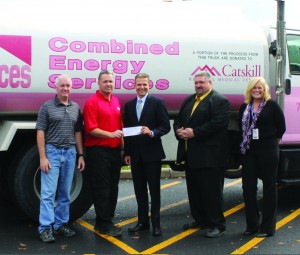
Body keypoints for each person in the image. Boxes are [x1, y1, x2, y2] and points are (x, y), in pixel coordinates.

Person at [173, 71, 230, 238]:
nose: (198, 85)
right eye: (196, 82)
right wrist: (179, 131)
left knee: (212, 193)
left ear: (210, 83)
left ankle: (217, 224)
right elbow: (179, 119)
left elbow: (218, 124)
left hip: (210, 157)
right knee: (195, 191)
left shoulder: (220, 100)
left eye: (201, 82)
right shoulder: (189, 100)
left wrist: (194, 133)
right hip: (191, 156)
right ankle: (200, 220)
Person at [36, 74, 85, 243]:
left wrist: (80, 154)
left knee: (65, 192)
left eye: (68, 86)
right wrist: (43, 157)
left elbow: (78, 132)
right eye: (62, 85)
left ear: (71, 88)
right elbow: (40, 131)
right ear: (56, 87)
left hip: (70, 152)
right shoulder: (47, 107)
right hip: (53, 152)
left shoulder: (75, 107)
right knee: (48, 193)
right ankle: (45, 228)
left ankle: (60, 224)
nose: (65, 88)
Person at [123, 73, 170, 237]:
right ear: (134, 85)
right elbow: (127, 131)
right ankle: (142, 222)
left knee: (154, 190)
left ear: (149, 85)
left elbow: (165, 126)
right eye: (139, 85)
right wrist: (127, 152)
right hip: (135, 156)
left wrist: (152, 132)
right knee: (139, 190)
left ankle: (156, 225)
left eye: (144, 85)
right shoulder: (129, 105)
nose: (141, 87)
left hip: (152, 154)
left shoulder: (157, 102)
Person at [239, 77, 286, 237]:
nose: (257, 90)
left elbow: (282, 127)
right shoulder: (245, 107)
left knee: (269, 188)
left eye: (259, 88)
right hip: (250, 151)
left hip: (268, 151)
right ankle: (252, 225)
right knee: (248, 188)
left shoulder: (272, 105)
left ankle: (267, 227)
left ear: (264, 89)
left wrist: (272, 140)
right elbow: (241, 128)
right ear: (250, 90)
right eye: (254, 88)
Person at [83, 70, 123, 237]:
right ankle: (102, 224)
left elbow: (120, 128)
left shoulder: (115, 100)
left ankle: (108, 220)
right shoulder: (92, 102)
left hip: (114, 151)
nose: (109, 84)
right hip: (98, 151)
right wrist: (110, 134)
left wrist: (123, 148)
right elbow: (91, 129)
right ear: (98, 83)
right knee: (102, 189)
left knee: (113, 188)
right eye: (105, 81)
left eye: (111, 82)